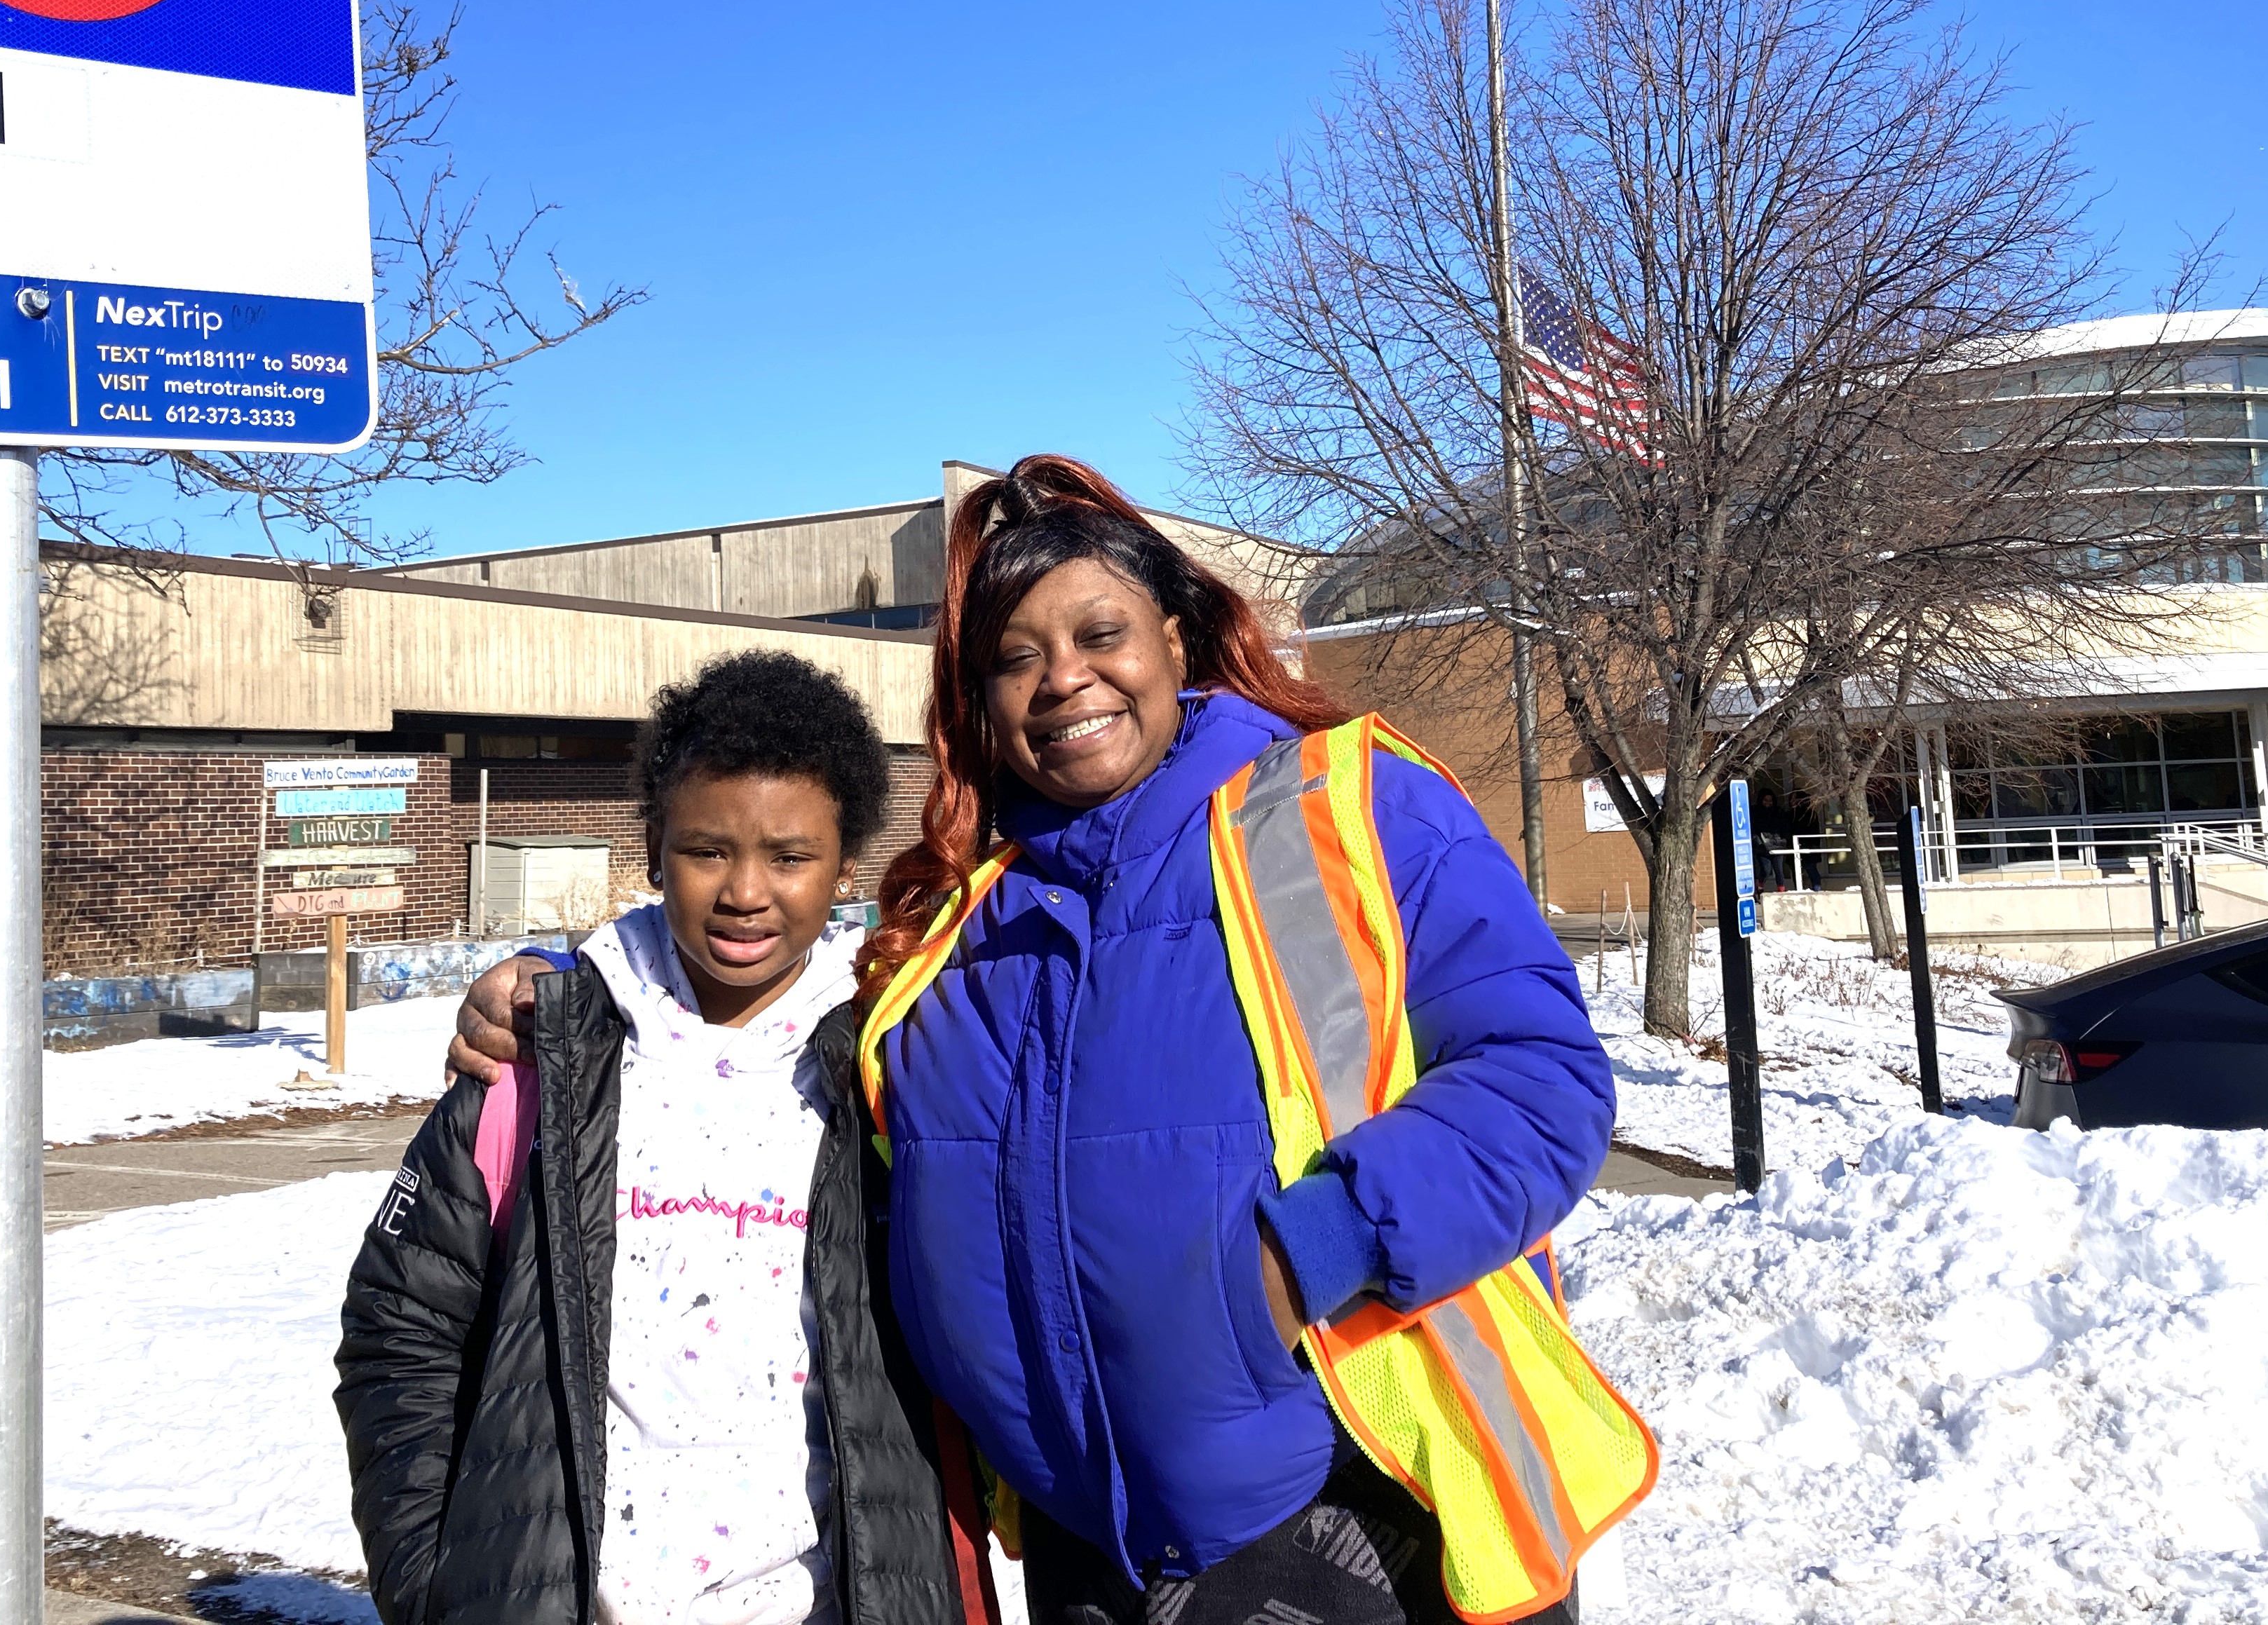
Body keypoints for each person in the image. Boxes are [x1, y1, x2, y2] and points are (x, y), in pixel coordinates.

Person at [454, 458, 1653, 1625]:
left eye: (1099, 635)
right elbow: (769, 1011)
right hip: (1081, 1551)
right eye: (1015, 658)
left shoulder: (1348, 810)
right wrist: (574, 998)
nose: (1063, 680)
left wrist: (1296, 1265)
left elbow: (1538, 1082)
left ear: (1176, 638)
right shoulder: (957, 921)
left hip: (1347, 1508)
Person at [337, 652, 991, 1625]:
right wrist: (437, 1578)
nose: (745, 892)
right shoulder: (533, 1067)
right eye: (706, 849)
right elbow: (401, 1332)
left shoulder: (890, 1074)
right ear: (652, 848)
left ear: (846, 862)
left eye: (790, 855)